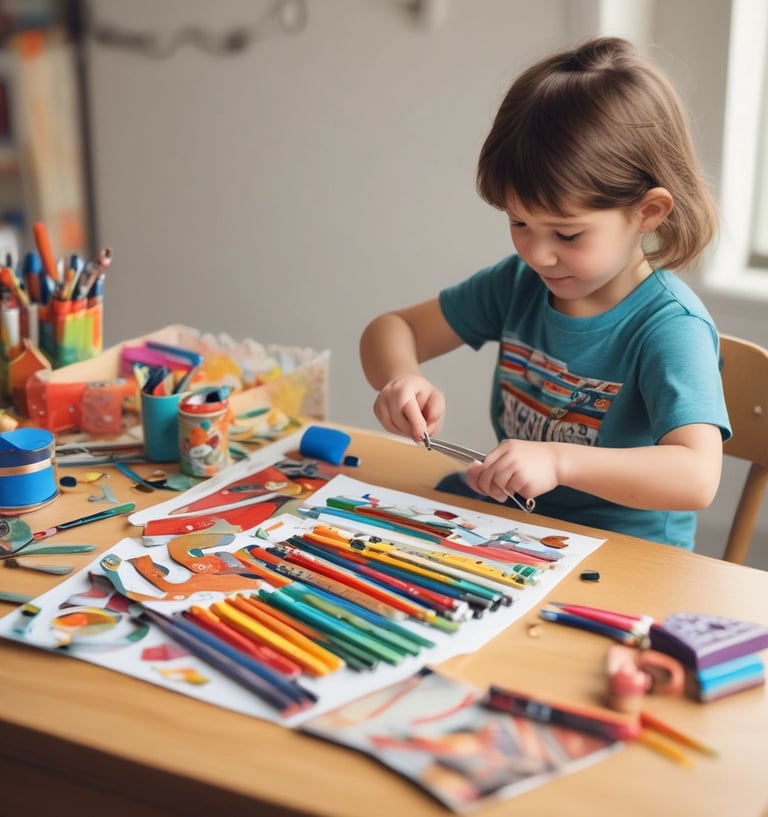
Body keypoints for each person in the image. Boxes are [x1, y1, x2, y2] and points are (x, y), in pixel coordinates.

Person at [359, 36, 731, 550]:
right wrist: (400, 379)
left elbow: (696, 476)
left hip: (622, 553)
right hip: (516, 527)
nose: (538, 253)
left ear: (648, 212)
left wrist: (559, 460)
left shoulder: (670, 327)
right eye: (519, 222)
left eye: (568, 234)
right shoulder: (518, 284)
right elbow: (391, 329)